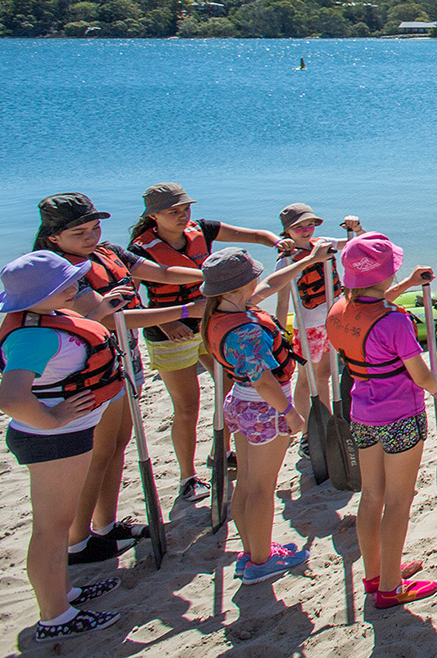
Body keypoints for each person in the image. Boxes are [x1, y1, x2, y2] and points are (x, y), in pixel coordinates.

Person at [0, 251, 201, 640]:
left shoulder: (46, 320)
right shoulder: (32, 335)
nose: (75, 287)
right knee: (52, 528)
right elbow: (10, 398)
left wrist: (102, 309)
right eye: (64, 284)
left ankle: (64, 593)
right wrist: (55, 419)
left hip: (62, 437)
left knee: (57, 523)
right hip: (53, 441)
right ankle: (55, 617)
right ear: (41, 294)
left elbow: (67, 349)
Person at [33, 193, 200, 565]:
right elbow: (106, 317)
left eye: (94, 227)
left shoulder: (109, 252)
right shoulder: (57, 271)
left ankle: (105, 526)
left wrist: (210, 274)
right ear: (54, 238)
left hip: (125, 359)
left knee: (119, 444)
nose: (91, 237)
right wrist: (189, 308)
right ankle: (78, 541)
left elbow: (162, 273)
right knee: (99, 453)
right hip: (91, 370)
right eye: (80, 233)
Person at [127, 183, 287, 503]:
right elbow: (129, 302)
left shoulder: (202, 229)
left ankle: (222, 452)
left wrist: (277, 241)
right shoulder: (138, 251)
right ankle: (188, 478)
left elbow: (255, 236)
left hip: (211, 326)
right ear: (153, 216)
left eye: (185, 208)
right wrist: (167, 321)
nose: (182, 214)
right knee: (187, 407)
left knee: (230, 387)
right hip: (169, 333)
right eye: (173, 211)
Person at [325, 232, 437, 608]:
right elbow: (420, 374)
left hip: (362, 411)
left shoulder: (338, 310)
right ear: (385, 276)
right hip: (400, 416)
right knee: (398, 501)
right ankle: (392, 588)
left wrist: (409, 284)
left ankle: (376, 573)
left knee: (372, 495)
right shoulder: (395, 322)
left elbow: (368, 311)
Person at [199, 244, 332, 583]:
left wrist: (308, 261)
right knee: (261, 488)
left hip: (242, 403)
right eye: (251, 277)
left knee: (246, 484)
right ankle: (261, 561)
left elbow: (273, 283)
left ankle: (252, 550)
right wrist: (289, 411)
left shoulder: (224, 311)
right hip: (263, 408)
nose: (258, 279)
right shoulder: (245, 330)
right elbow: (263, 380)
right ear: (238, 286)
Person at [271, 203, 350, 464]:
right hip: (309, 328)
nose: (306, 231)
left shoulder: (324, 244)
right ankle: (308, 434)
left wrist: (355, 229)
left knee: (326, 375)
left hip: (333, 320)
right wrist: (279, 335)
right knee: (307, 380)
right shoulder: (285, 259)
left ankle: (328, 423)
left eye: (310, 225)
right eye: (298, 227)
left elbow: (354, 242)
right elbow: (282, 301)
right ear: (287, 231)